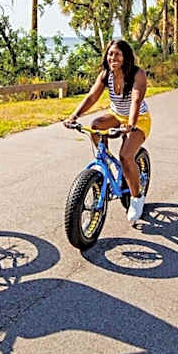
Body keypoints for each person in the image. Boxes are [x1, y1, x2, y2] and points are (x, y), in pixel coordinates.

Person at [63, 39, 151, 222]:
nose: (113, 58)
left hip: (138, 119)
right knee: (95, 126)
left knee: (126, 156)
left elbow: (135, 100)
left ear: (126, 57)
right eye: (110, 54)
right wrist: (74, 116)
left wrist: (130, 125)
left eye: (118, 54)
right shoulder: (106, 75)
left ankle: (136, 198)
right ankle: (106, 162)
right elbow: (92, 97)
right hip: (116, 115)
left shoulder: (137, 74)